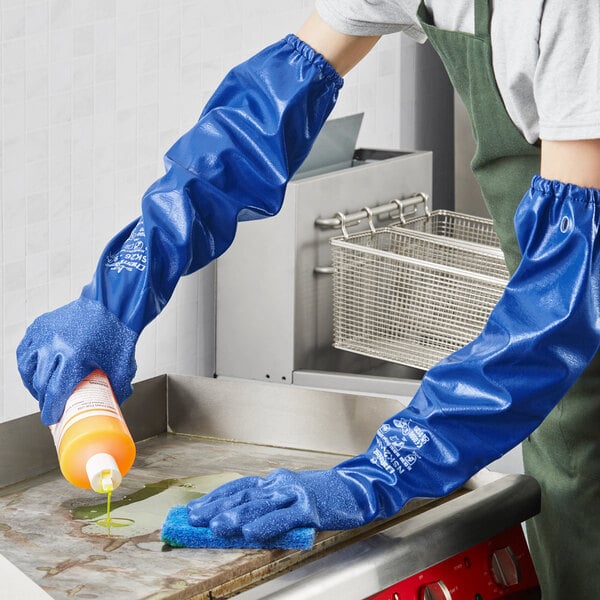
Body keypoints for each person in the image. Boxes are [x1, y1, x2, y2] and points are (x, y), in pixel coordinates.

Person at [16, 2, 600, 598]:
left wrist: (379, 475)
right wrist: (118, 292)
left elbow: (562, 301)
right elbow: (256, 124)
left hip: (566, 328)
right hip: (558, 388)